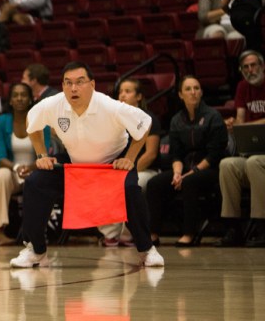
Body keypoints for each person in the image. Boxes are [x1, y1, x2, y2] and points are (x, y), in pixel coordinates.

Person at [9, 61, 164, 268]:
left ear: (92, 84)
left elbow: (144, 123)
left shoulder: (109, 105)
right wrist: (41, 154)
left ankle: (146, 249)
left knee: (130, 190)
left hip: (112, 165)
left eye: (80, 82)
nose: (74, 88)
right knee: (35, 183)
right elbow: (31, 121)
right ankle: (35, 251)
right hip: (76, 166)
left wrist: (130, 158)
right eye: (68, 83)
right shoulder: (54, 104)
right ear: (62, 86)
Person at [145, 75, 228, 247]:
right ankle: (152, 233)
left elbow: (214, 154)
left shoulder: (213, 116)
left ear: (201, 92)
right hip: (184, 167)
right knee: (154, 184)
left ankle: (189, 233)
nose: (193, 92)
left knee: (189, 181)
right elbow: (176, 154)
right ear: (181, 95)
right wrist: (176, 173)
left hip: (210, 168)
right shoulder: (177, 120)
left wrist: (191, 172)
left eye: (196, 88)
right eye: (188, 89)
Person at [98, 78, 162, 247]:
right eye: (120, 92)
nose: (123, 95)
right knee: (101, 181)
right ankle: (110, 235)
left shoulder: (149, 119)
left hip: (146, 169)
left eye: (128, 91)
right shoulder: (114, 120)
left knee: (133, 183)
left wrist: (128, 172)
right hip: (120, 169)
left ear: (139, 96)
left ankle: (130, 234)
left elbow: (151, 154)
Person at [0, 82, 51, 246]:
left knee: (40, 177)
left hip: (35, 171)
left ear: (31, 99)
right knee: (1, 174)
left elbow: (44, 155)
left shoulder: (40, 121)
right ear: (10, 100)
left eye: (23, 95)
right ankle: (0, 231)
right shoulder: (1, 121)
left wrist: (30, 168)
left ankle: (37, 233)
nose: (19, 99)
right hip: (12, 172)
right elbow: (0, 157)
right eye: (15, 95)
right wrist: (17, 168)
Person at [217, 50, 265, 247]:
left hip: (259, 160)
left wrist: (243, 127)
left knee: (254, 163)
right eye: (245, 67)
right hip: (254, 152)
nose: (250, 70)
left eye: (253, 65)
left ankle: (261, 226)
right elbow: (241, 118)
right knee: (227, 164)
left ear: (262, 66)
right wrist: (233, 124)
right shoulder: (242, 87)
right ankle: (233, 226)